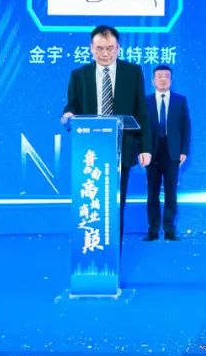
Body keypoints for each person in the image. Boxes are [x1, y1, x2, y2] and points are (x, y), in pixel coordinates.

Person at [63, 25, 151, 244]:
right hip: (90, 149)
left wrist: (145, 147)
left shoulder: (132, 72)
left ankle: (113, 254)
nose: (105, 53)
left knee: (115, 204)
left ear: (118, 48)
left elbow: (141, 111)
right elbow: (72, 105)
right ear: (91, 48)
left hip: (123, 147)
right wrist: (69, 114)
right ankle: (91, 246)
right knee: (92, 201)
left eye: (110, 48)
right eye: (100, 48)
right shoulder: (79, 75)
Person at [143, 64, 191, 242]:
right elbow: (141, 130)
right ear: (153, 80)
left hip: (173, 152)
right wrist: (142, 150)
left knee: (171, 192)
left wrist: (184, 150)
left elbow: (186, 127)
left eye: (166, 76)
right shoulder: (145, 101)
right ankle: (153, 231)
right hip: (152, 153)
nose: (163, 79)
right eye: (159, 76)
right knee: (152, 192)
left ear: (171, 79)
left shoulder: (180, 100)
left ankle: (170, 230)